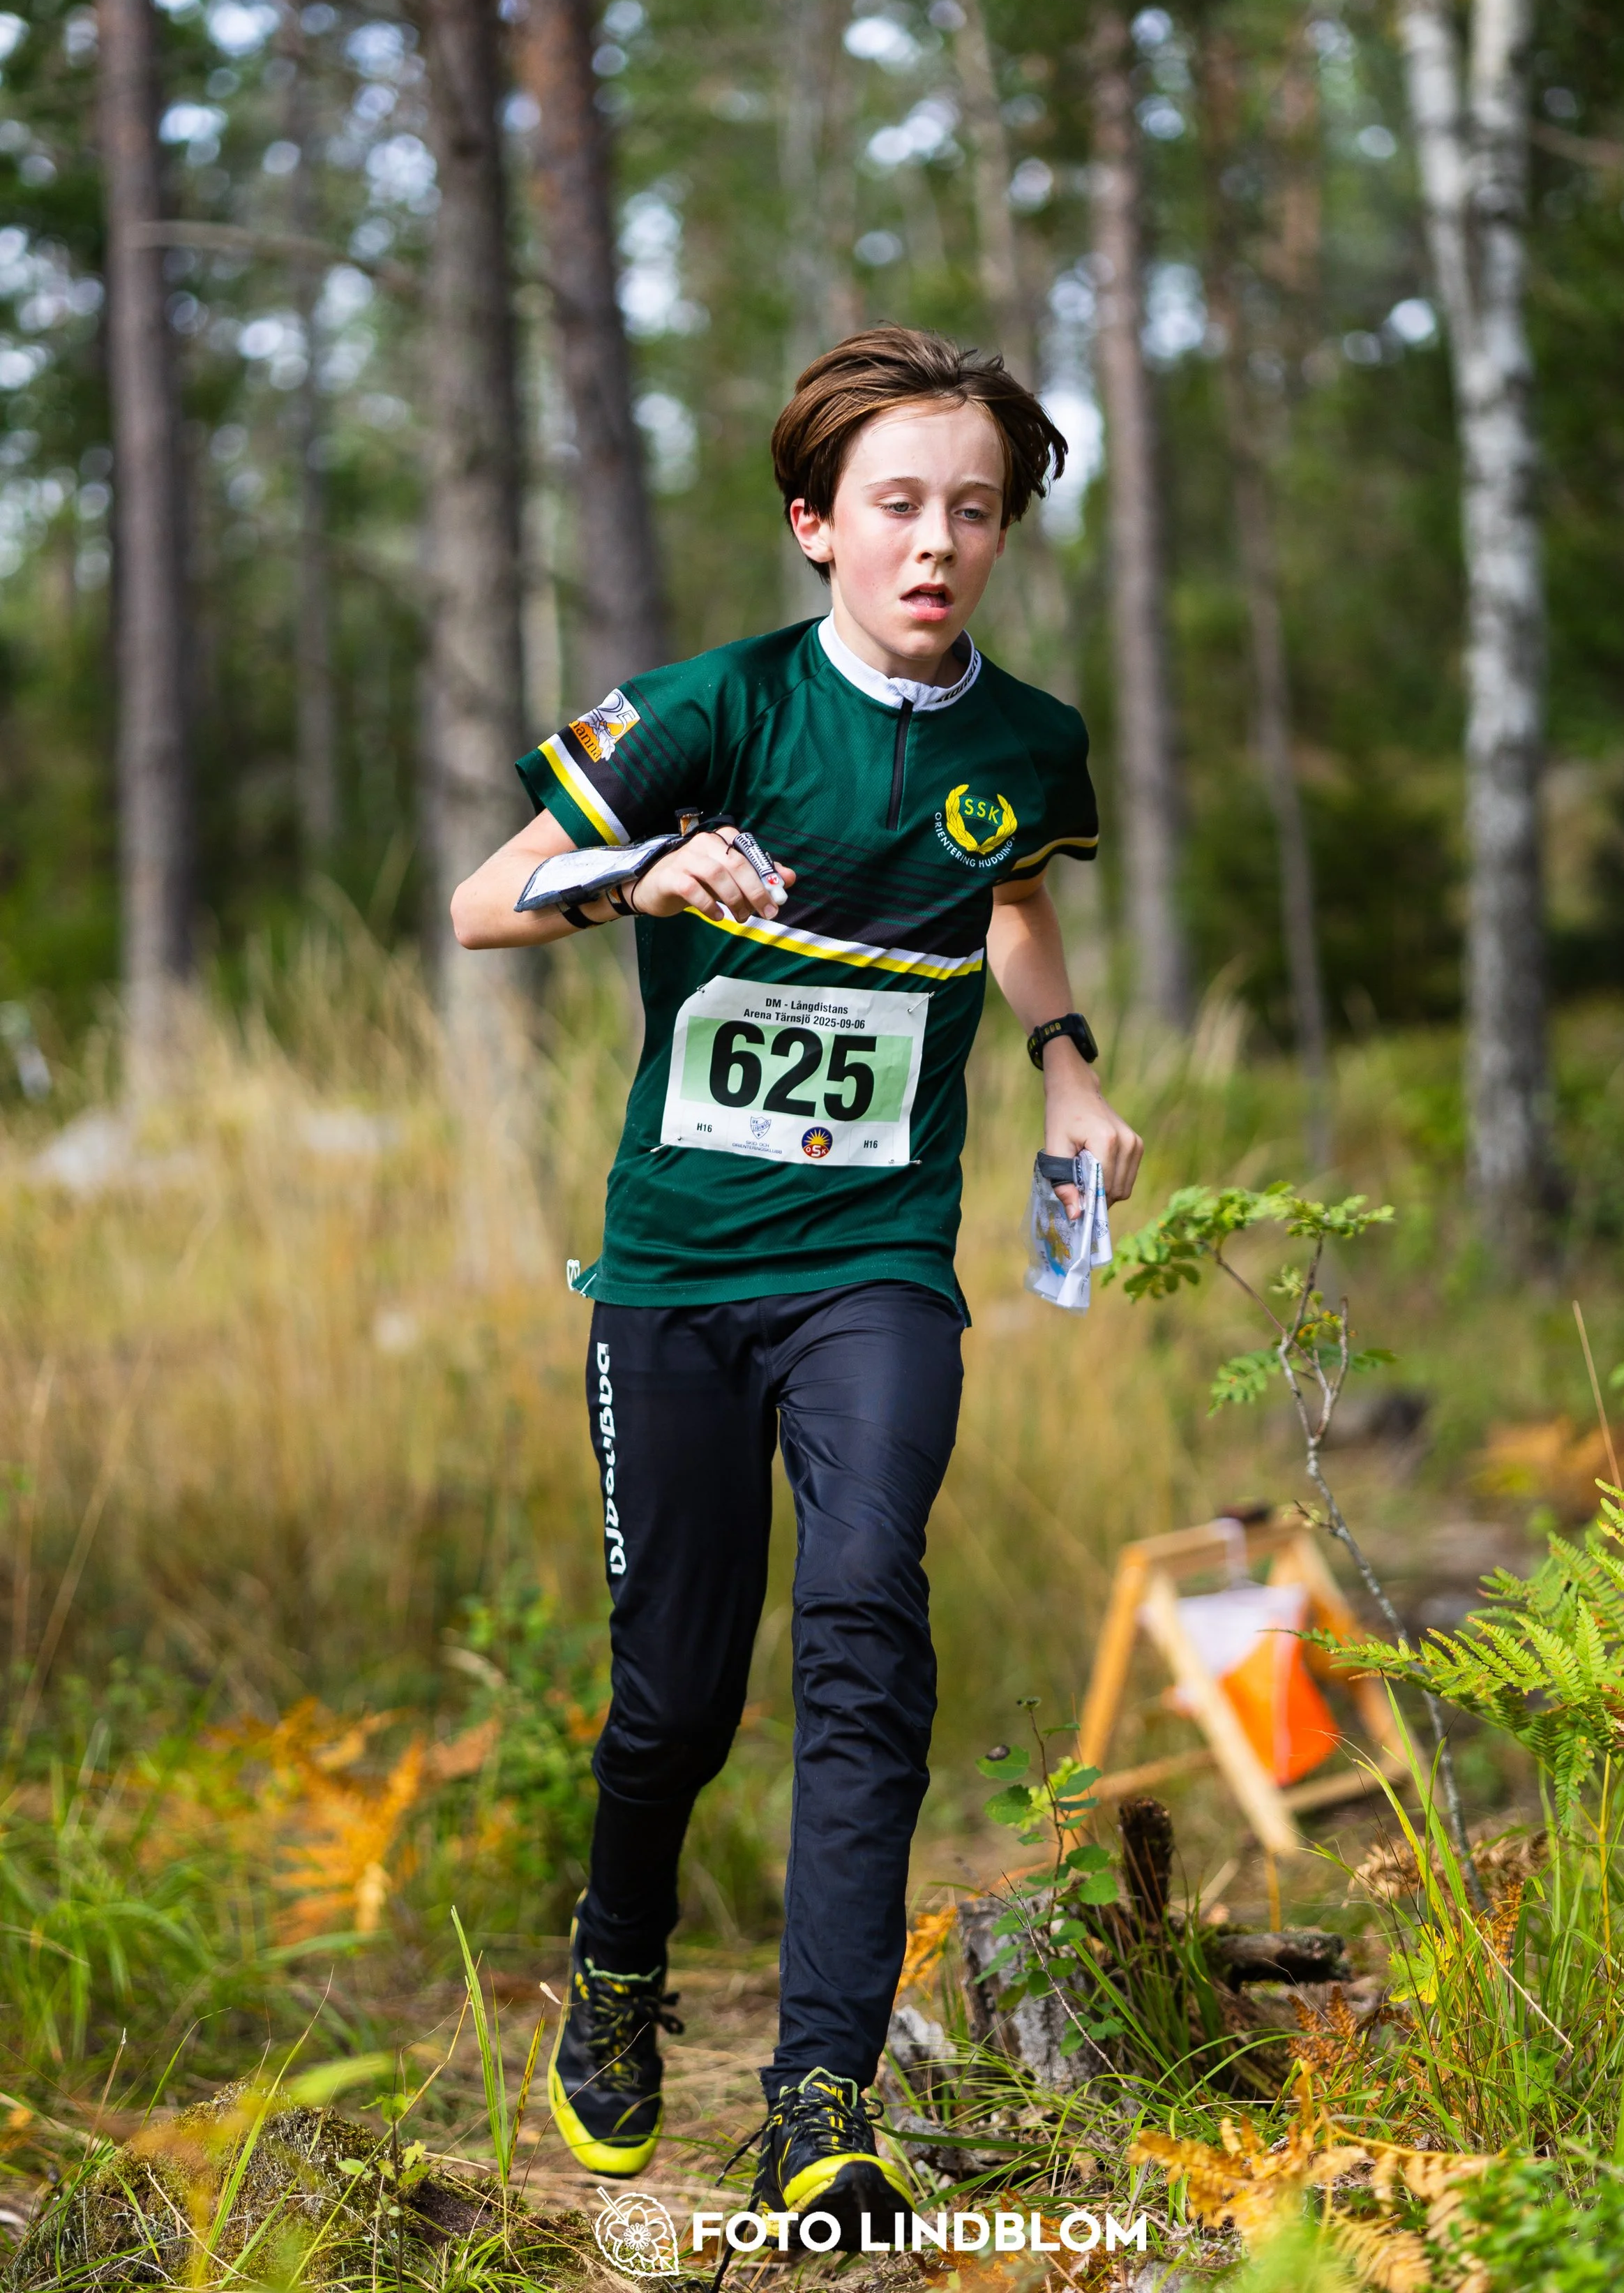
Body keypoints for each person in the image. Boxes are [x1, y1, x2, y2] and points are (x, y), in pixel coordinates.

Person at [450, 324, 1142, 2238]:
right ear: (814, 526)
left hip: (875, 1265)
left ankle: (820, 2103)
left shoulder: (1028, 744)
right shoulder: (703, 707)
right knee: (671, 1699)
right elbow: (477, 897)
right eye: (898, 507)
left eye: (973, 511)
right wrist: (641, 869)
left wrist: (1066, 1062)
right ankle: (613, 1956)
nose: (936, 543)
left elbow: (1010, 900)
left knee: (861, 1626)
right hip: (673, 1273)